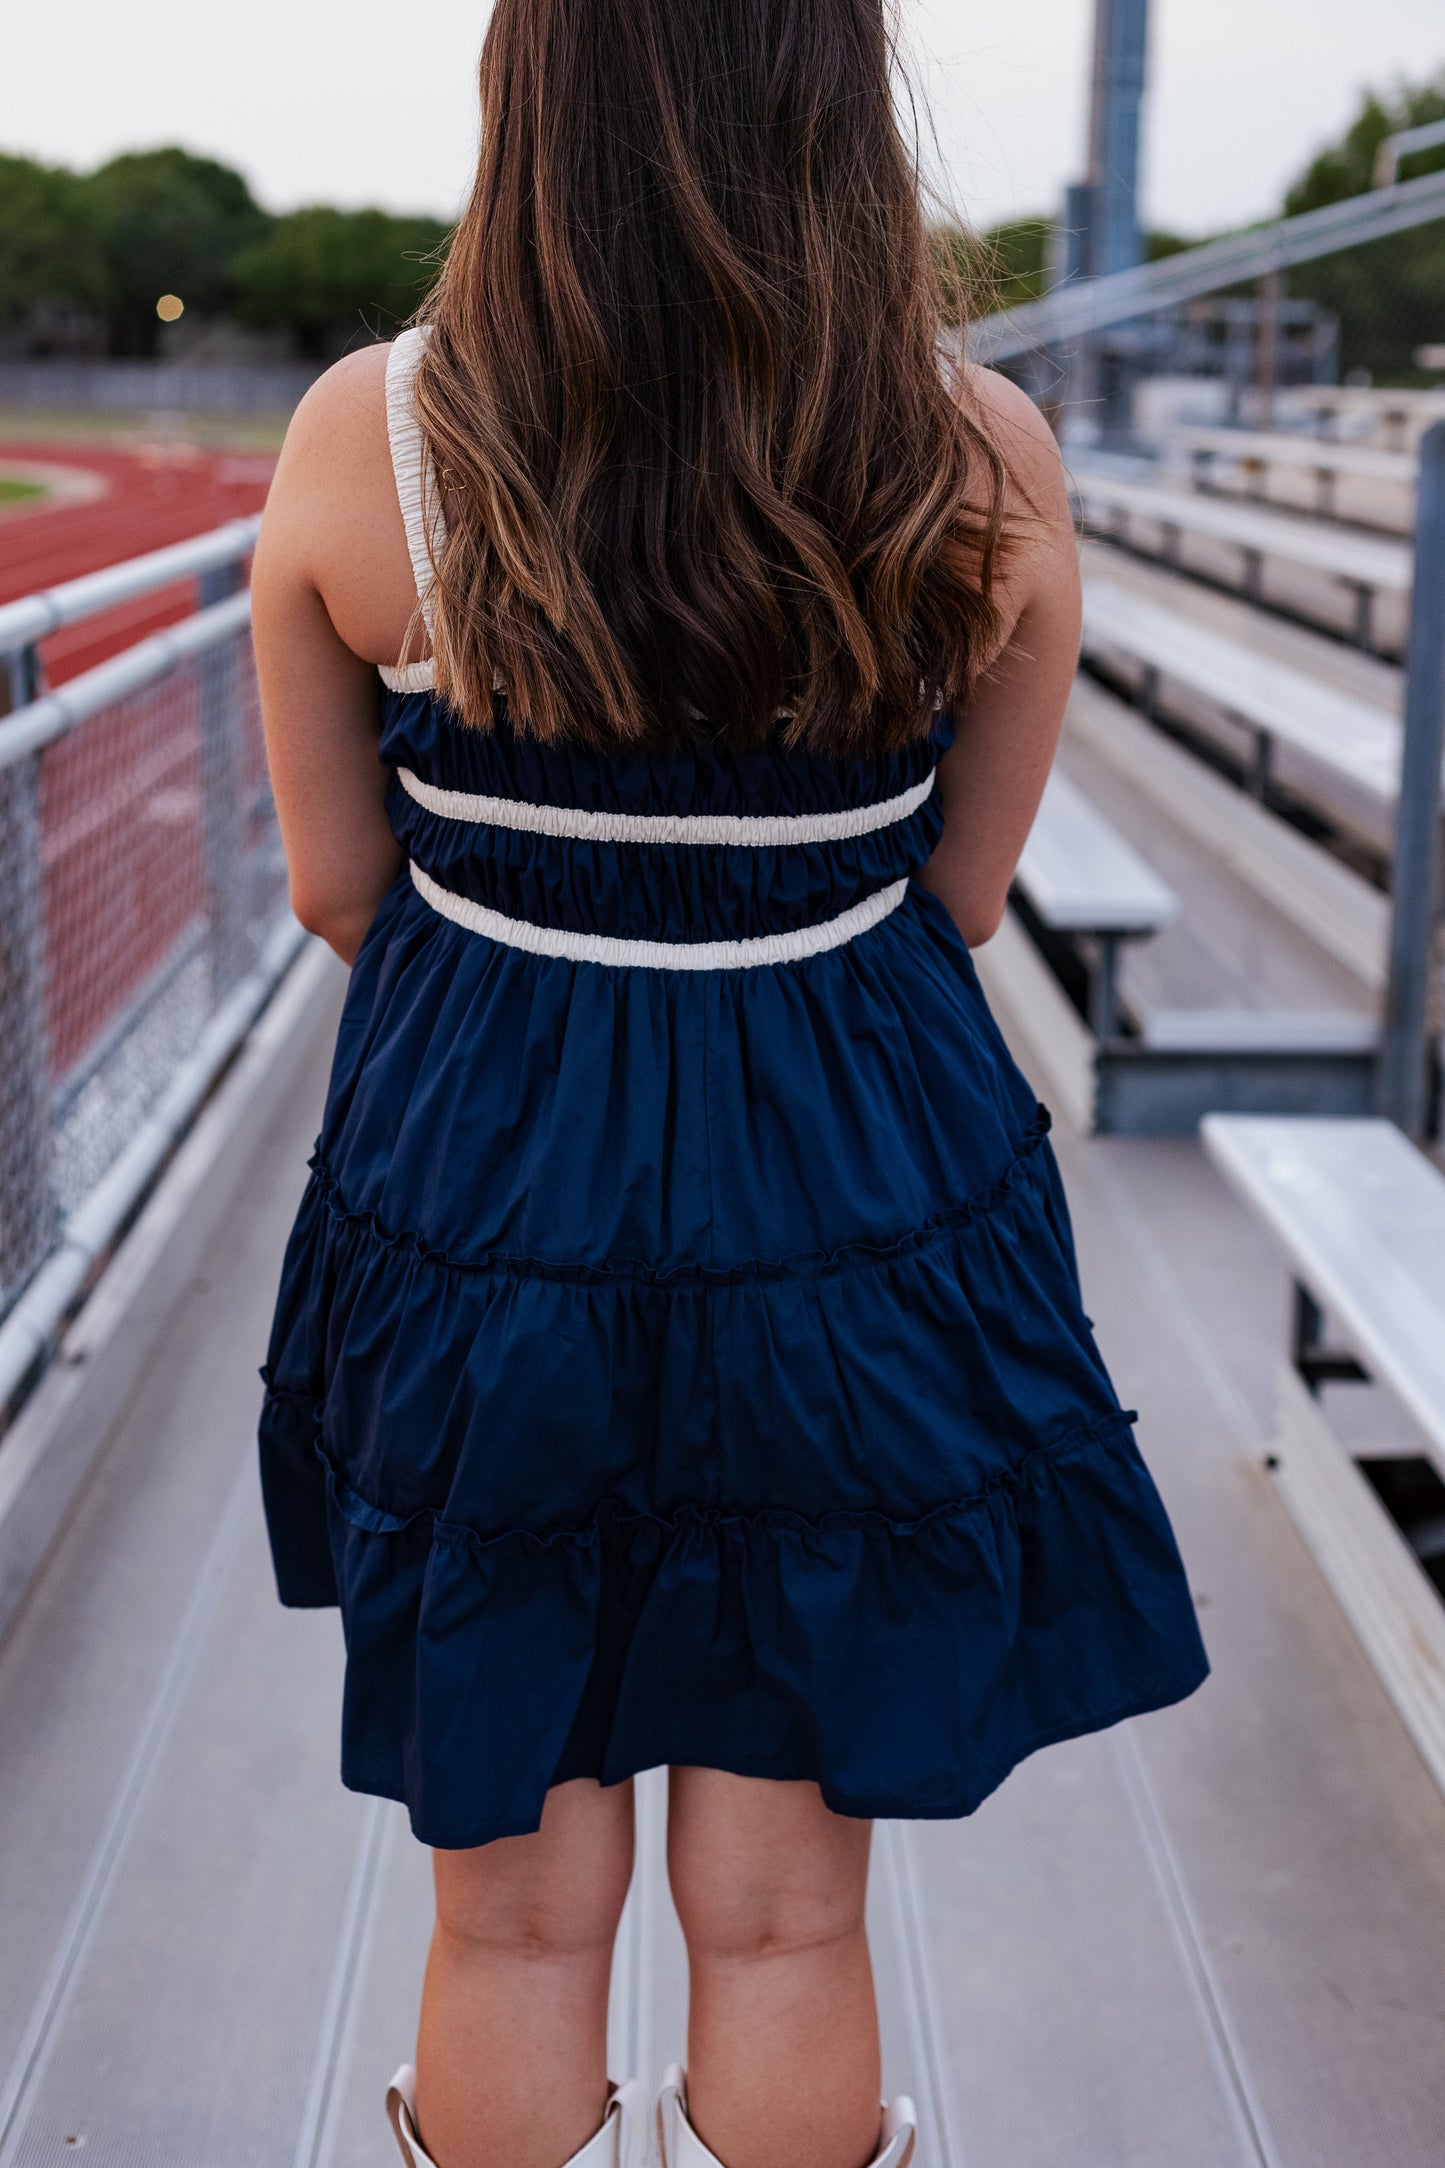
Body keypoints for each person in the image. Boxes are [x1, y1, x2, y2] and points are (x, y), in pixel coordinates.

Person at [252, 3, 1209, 2164]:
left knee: (505, 1916)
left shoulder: (362, 438)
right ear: (833, 100)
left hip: (486, 1200)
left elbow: (335, 886)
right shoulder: (980, 459)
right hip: (847, 1213)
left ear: (538, 94)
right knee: (785, 1917)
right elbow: (956, 897)